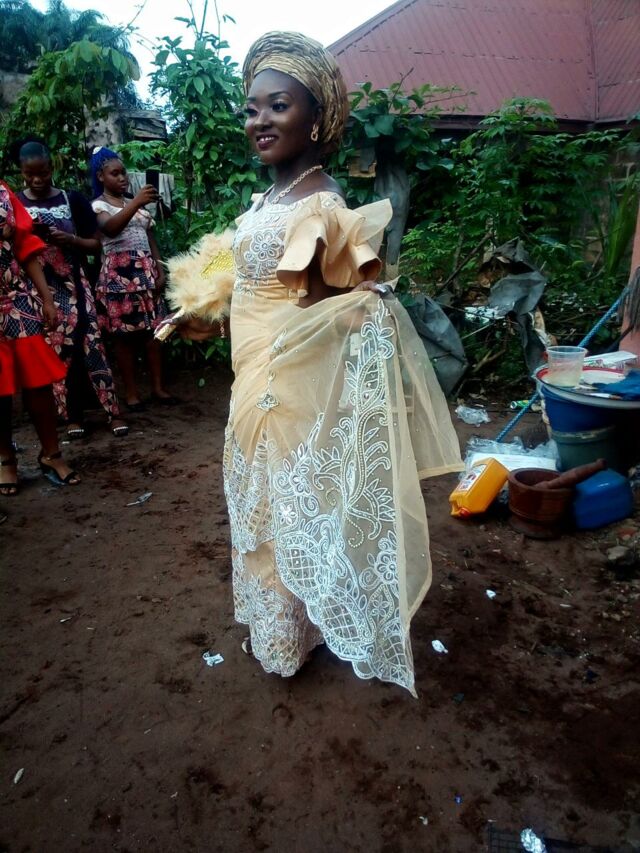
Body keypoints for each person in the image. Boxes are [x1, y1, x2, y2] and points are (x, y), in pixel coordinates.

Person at [181, 32, 462, 695]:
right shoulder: (269, 200)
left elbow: (326, 303)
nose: (259, 120)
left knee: (283, 495)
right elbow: (258, 287)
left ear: (316, 119)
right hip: (252, 367)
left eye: (278, 106)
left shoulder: (321, 203)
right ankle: (282, 623)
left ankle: (289, 637)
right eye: (252, 108)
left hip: (285, 381)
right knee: (259, 491)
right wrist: (208, 311)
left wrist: (360, 304)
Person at [15, 139, 128, 438]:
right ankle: (71, 416)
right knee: (57, 350)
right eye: (30, 174)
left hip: (75, 284)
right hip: (37, 290)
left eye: (42, 173)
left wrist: (71, 240)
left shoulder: (72, 199)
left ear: (51, 168)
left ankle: (112, 412)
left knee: (92, 344)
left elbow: (96, 244)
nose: (37, 180)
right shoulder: (15, 204)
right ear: (22, 172)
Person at [0, 179, 80, 494]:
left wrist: (47, 298)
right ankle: (6, 459)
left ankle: (51, 454)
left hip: (16, 299)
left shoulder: (3, 194)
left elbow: (25, 247)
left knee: (38, 381)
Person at [90, 147, 175, 411]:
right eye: (114, 174)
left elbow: (151, 240)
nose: (122, 178)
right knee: (123, 338)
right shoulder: (99, 206)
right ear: (101, 177)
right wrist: (136, 202)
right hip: (119, 278)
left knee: (154, 333)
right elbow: (110, 228)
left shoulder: (136, 205)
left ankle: (158, 388)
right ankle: (131, 394)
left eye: (123, 173)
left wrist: (160, 270)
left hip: (145, 275)